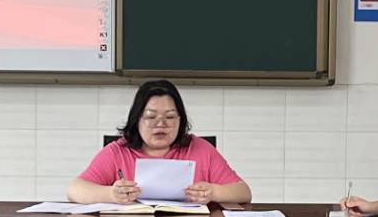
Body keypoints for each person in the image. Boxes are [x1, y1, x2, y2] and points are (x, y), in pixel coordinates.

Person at [66, 79, 252, 205]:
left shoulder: (200, 149)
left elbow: (243, 192)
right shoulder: (118, 151)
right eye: (151, 117)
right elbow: (75, 190)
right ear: (136, 119)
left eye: (170, 117)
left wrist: (213, 192)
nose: (161, 124)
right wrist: (111, 194)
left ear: (180, 120)